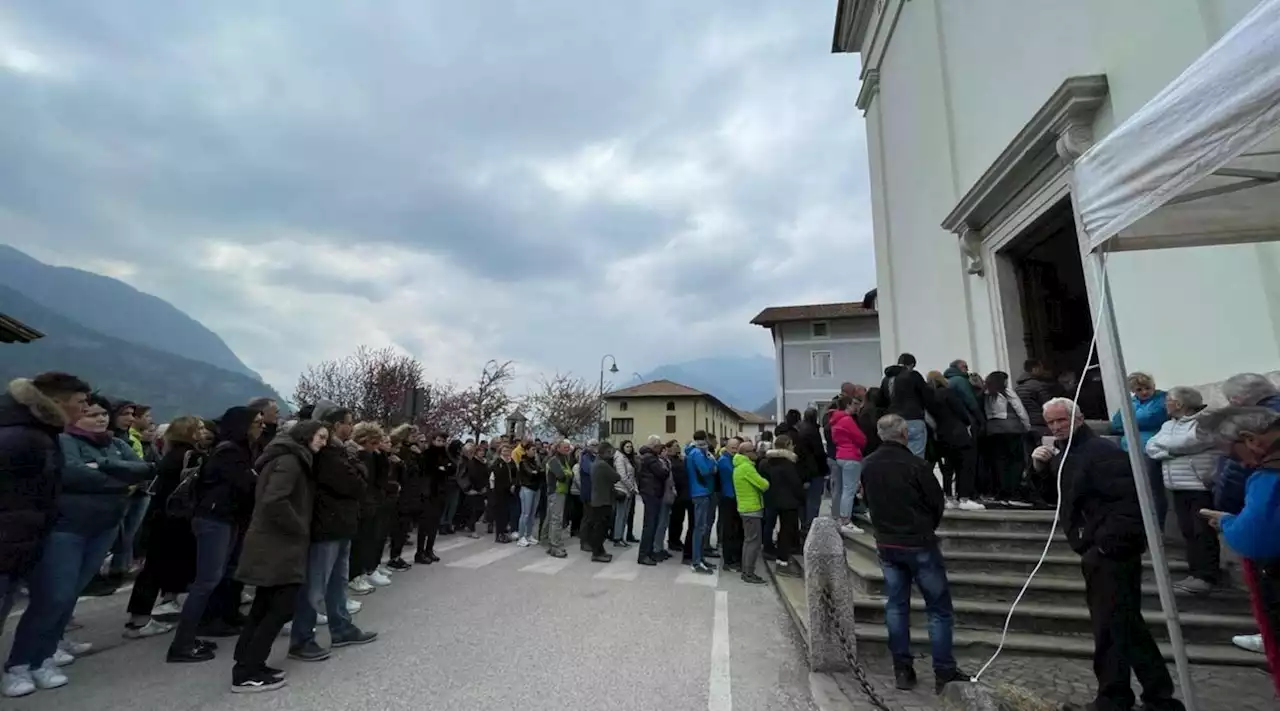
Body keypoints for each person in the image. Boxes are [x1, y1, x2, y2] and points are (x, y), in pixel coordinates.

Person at [1037, 398, 1183, 711]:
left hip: (1110, 551)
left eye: (1062, 420)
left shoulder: (1102, 452)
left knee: (1112, 625)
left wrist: (1104, 545)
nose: (1057, 427)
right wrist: (1040, 468)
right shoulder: (1067, 454)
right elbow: (1061, 499)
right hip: (1097, 547)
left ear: (1078, 417)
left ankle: (1116, 698)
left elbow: (1127, 502)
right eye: (1051, 423)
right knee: (1124, 625)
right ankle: (1155, 697)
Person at [3, 393, 152, 696]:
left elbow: (144, 469)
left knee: (70, 595)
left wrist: (101, 466)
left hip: (104, 528)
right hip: (67, 528)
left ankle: (43, 657)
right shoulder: (65, 440)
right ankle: (18, 665)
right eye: (91, 414)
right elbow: (71, 473)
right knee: (53, 596)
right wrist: (118, 477)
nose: (99, 419)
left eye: (102, 414)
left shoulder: (116, 442)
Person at [860, 414, 964, 694]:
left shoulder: (867, 465)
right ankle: (944, 671)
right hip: (918, 542)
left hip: (887, 543)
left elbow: (867, 500)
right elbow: (936, 503)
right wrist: (926, 527)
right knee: (939, 609)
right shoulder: (917, 465)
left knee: (896, 606)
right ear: (904, 434)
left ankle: (902, 670)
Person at [230, 420, 328, 693]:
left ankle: (248, 662)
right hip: (278, 543)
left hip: (274, 541)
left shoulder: (287, 457)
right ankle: (247, 671)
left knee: (265, 605)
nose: (324, 442)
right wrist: (299, 527)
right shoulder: (291, 461)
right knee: (280, 607)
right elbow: (275, 500)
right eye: (321, 436)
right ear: (306, 436)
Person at [1196, 406, 1280, 698]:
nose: (1241, 466)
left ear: (1251, 439)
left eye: (1233, 455)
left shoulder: (1270, 472)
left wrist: (1228, 522)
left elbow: (1255, 537)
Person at [167, 406, 262, 664]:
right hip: (214, 519)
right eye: (257, 422)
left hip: (225, 519)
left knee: (214, 578)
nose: (261, 426)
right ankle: (182, 644)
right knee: (206, 582)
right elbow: (246, 485)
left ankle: (191, 636)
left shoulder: (237, 450)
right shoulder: (230, 452)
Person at [287, 403, 376, 664]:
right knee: (315, 586)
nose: (351, 426)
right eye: (348, 422)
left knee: (337, 582)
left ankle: (341, 628)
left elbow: (360, 478)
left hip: (341, 524)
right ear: (336, 425)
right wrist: (357, 473)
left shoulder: (340, 451)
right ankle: (301, 639)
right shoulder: (326, 453)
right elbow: (353, 483)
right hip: (327, 524)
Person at [125, 416, 205, 638]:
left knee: (154, 566)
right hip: (177, 518)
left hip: (161, 514)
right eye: (199, 428)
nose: (204, 432)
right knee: (157, 568)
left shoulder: (171, 454)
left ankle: (139, 617)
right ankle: (140, 620)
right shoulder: (190, 456)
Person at [1144, 386, 1221, 595]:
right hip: (1177, 486)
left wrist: (1167, 449)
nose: (1165, 404)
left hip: (1199, 486)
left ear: (1180, 404)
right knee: (1188, 531)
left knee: (1202, 532)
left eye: (1168, 400)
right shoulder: (1169, 424)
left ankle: (1207, 575)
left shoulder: (1206, 422)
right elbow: (1151, 446)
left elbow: (1191, 442)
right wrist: (1170, 451)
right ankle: (1194, 573)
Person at [1109, 372, 1170, 529]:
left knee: (1152, 489)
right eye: (1139, 389)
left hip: (1148, 449)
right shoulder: (1131, 401)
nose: (1144, 392)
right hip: (1127, 450)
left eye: (1147, 388)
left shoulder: (1162, 400)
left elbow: (1149, 417)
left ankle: (1157, 528)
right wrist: (1130, 421)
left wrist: (1129, 421)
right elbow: (1116, 423)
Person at [925, 371, 982, 511]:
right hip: (958, 433)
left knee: (948, 467)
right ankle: (964, 498)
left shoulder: (929, 396)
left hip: (942, 435)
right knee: (965, 465)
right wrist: (969, 423)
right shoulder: (948, 392)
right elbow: (961, 411)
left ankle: (948, 497)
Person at [980, 371, 1031, 503]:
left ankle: (1002, 492)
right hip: (1011, 429)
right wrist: (1027, 426)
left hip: (992, 431)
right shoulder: (1006, 392)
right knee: (1016, 462)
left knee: (999, 463)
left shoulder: (986, 394)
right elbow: (1020, 409)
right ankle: (1013, 491)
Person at [759, 435, 805, 578]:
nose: (794, 447)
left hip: (772, 499)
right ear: (787, 445)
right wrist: (802, 497)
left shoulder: (767, 462)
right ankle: (783, 562)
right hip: (788, 502)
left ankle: (772, 551)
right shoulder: (788, 463)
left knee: (773, 526)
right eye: (792, 444)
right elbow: (795, 484)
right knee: (787, 531)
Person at [876, 354, 936, 457]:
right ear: (911, 364)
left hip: (892, 422)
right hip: (913, 419)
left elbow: (881, 401)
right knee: (916, 456)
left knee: (896, 456)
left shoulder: (886, 379)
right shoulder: (913, 375)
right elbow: (928, 397)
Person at [733, 439, 770, 585]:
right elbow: (763, 484)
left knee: (749, 541)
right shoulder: (746, 467)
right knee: (753, 542)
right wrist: (765, 481)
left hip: (746, 508)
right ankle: (748, 572)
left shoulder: (740, 465)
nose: (755, 452)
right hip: (751, 509)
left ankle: (746, 571)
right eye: (752, 450)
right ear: (746, 453)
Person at [387, 426, 425, 570]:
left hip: (412, 493)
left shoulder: (413, 451)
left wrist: (419, 455)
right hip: (403, 494)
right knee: (399, 528)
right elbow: (403, 472)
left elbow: (420, 470)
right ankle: (393, 557)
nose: (414, 437)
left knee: (404, 529)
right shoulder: (400, 450)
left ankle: (397, 555)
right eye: (412, 434)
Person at [829, 395, 868, 532]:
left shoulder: (835, 420)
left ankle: (840, 519)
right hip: (851, 456)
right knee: (849, 490)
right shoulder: (847, 420)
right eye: (854, 404)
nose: (856, 407)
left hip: (840, 455)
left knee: (840, 489)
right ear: (847, 405)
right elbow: (861, 438)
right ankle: (846, 521)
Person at [685, 431, 717, 574]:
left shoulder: (694, 452)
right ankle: (696, 562)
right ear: (705, 439)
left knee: (701, 527)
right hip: (700, 491)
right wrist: (712, 464)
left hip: (701, 491)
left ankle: (700, 559)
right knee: (699, 528)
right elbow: (704, 471)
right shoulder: (697, 453)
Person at [635, 436, 669, 566]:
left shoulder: (646, 456)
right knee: (650, 524)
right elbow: (662, 473)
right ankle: (644, 554)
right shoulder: (651, 458)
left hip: (650, 492)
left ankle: (648, 553)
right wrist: (665, 465)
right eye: (659, 445)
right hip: (652, 492)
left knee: (652, 524)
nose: (661, 447)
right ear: (654, 445)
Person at [417, 433, 451, 561]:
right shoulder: (427, 454)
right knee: (425, 523)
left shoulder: (445, 454)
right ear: (433, 440)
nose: (440, 443)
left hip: (440, 492)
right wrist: (440, 469)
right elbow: (428, 471)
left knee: (434, 523)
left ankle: (429, 549)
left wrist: (444, 468)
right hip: (429, 491)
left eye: (443, 441)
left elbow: (451, 468)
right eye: (438, 440)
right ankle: (420, 552)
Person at [586, 441, 621, 563]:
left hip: (599, 499)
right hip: (603, 500)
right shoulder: (602, 465)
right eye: (610, 452)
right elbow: (617, 477)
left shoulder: (597, 463)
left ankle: (600, 551)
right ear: (605, 452)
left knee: (600, 527)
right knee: (601, 528)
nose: (611, 455)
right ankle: (596, 553)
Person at [795, 407, 827, 532]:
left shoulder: (800, 429)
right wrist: (825, 469)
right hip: (814, 471)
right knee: (813, 501)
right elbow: (818, 453)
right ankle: (811, 528)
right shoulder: (812, 431)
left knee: (804, 502)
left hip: (802, 472)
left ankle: (804, 527)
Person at [714, 438, 742, 572]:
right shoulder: (725, 462)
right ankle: (728, 560)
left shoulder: (729, 459)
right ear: (727, 448)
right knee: (729, 530)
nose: (735, 451)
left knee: (733, 530)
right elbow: (734, 476)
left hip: (732, 497)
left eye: (737, 448)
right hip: (729, 498)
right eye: (733, 448)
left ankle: (732, 558)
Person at [544, 440, 574, 558]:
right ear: (558, 448)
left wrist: (567, 474)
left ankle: (551, 543)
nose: (567, 449)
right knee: (556, 519)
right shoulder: (553, 461)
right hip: (556, 491)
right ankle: (554, 546)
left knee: (552, 518)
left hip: (561, 491)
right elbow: (562, 476)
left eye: (568, 447)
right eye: (565, 447)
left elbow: (569, 474)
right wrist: (568, 475)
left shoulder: (564, 460)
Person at [488, 444, 519, 544]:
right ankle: (499, 535)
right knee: (500, 514)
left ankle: (504, 532)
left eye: (508, 451)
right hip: (499, 491)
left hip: (510, 491)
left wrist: (514, 484)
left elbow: (515, 475)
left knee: (507, 513)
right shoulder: (497, 463)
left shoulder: (511, 462)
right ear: (500, 451)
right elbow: (493, 478)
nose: (506, 453)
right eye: (504, 451)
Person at [611, 440, 638, 548]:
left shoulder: (627, 458)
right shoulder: (620, 458)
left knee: (625, 516)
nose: (629, 448)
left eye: (631, 447)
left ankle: (621, 537)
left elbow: (632, 476)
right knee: (620, 515)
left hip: (628, 490)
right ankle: (617, 538)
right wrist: (631, 487)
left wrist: (634, 487)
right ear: (622, 447)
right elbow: (622, 475)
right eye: (627, 446)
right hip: (622, 489)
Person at [517, 440, 543, 547]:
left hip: (536, 488)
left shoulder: (535, 461)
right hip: (527, 488)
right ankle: (521, 536)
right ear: (526, 450)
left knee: (532, 514)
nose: (534, 452)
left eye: (535, 450)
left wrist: (537, 471)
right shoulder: (523, 462)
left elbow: (540, 471)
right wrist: (536, 472)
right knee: (525, 513)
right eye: (532, 449)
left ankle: (529, 534)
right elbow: (531, 474)